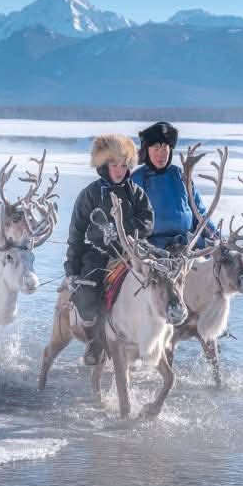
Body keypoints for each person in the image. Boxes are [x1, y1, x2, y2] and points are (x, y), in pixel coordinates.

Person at [64, 134, 154, 365]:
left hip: (132, 253)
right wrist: (72, 269)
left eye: (124, 165)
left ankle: (154, 334)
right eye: (114, 165)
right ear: (104, 165)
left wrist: (126, 230)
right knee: (88, 293)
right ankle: (96, 341)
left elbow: (147, 221)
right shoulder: (90, 194)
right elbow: (76, 234)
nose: (119, 170)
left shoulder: (135, 192)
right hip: (98, 254)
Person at [131, 121, 218, 250]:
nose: (161, 154)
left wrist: (215, 236)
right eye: (156, 149)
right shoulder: (136, 179)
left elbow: (199, 212)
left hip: (188, 245)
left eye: (165, 148)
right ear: (147, 151)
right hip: (151, 249)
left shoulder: (181, 176)